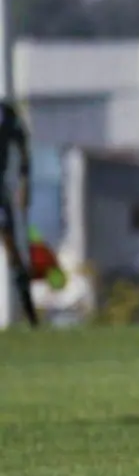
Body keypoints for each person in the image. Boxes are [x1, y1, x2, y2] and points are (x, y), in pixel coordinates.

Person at [0, 100, 38, 328]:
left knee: (13, 251)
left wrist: (25, 183)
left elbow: (23, 149)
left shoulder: (6, 112)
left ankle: (31, 315)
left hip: (0, 193)